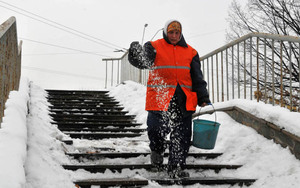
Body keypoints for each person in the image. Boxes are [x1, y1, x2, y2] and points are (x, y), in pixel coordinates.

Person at [128, 19, 211, 178]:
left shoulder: (191, 52)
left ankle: (177, 167)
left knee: (182, 134)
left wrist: (203, 97)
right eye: (171, 32)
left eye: (177, 33)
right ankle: (157, 156)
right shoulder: (154, 47)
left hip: (183, 99)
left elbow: (197, 78)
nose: (174, 36)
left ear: (181, 33)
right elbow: (142, 62)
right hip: (160, 98)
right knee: (156, 129)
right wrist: (134, 52)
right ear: (165, 32)